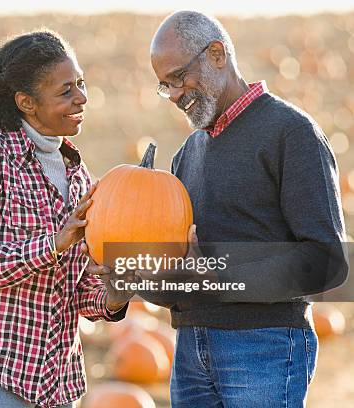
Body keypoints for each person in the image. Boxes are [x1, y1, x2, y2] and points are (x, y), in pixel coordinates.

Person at [144, 10, 348, 407]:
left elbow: (327, 261)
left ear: (217, 54)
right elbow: (187, 280)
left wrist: (217, 278)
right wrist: (135, 278)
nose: (172, 94)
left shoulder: (291, 133)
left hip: (262, 348)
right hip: (189, 350)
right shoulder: (188, 153)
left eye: (179, 77)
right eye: (163, 85)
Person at [0, 30, 133, 408]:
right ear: (26, 102)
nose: (82, 97)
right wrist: (53, 245)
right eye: (65, 91)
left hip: (56, 382)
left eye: (80, 83)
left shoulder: (77, 173)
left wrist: (115, 294)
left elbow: (73, 291)